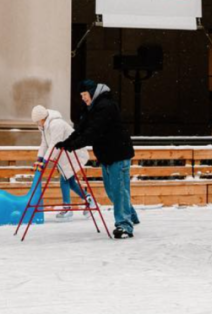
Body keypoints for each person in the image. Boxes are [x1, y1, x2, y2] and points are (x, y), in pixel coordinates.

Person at [56, 80, 138, 238]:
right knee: (112, 191)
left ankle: (124, 225)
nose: (83, 98)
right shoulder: (92, 109)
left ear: (92, 93)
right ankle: (130, 216)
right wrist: (67, 142)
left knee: (118, 191)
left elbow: (93, 132)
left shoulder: (106, 106)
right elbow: (81, 129)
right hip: (107, 155)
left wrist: (74, 146)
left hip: (118, 153)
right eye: (81, 95)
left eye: (84, 95)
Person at [31, 104, 93, 219]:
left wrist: (45, 161)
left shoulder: (56, 124)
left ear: (42, 118)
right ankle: (89, 199)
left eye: (37, 121)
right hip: (64, 156)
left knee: (64, 181)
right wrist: (39, 158)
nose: (37, 124)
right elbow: (45, 143)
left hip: (73, 154)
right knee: (71, 183)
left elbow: (55, 144)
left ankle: (67, 208)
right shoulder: (45, 127)